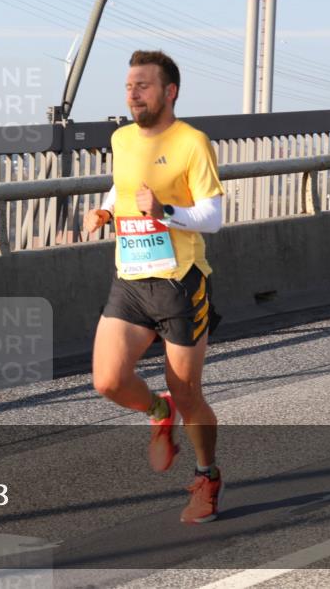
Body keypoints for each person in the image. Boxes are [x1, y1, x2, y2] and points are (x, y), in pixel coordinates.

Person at [86, 50, 225, 524]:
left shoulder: (192, 142)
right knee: (107, 380)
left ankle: (206, 475)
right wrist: (106, 211)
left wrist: (164, 211)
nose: (132, 93)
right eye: (129, 85)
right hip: (130, 280)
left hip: (179, 285)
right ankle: (155, 410)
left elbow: (214, 217)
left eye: (143, 85)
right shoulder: (121, 138)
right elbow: (122, 187)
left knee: (188, 393)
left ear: (170, 92)